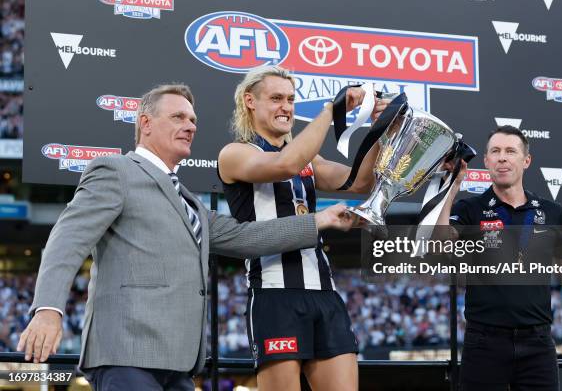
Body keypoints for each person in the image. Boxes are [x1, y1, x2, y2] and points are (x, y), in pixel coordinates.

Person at [17, 84, 356, 391]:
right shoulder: (115, 170)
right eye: (178, 116)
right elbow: (67, 238)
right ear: (146, 124)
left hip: (179, 366)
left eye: (193, 119)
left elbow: (244, 238)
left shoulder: (190, 201)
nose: (191, 125)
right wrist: (48, 310)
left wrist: (318, 221)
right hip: (126, 354)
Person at [218, 65, 388, 391]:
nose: (286, 107)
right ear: (250, 101)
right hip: (274, 295)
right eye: (277, 98)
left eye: (292, 99)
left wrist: (380, 130)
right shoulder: (235, 153)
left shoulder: (309, 160)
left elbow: (360, 182)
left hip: (325, 293)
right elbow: (285, 165)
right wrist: (330, 111)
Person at [437, 125, 562, 390]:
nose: (502, 157)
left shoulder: (552, 212)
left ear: (526, 161)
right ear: (487, 161)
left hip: (538, 344)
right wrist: (453, 186)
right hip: (484, 342)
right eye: (495, 151)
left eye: (510, 151)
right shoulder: (468, 209)